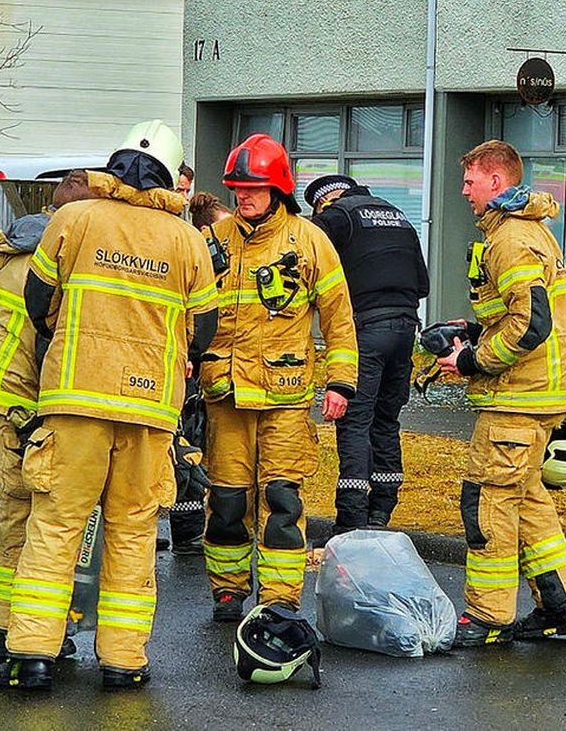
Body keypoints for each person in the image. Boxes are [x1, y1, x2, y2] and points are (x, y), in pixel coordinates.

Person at [0, 121, 217, 692]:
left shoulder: (73, 219)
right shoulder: (188, 239)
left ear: (114, 163)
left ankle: (32, 655)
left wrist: (68, 333)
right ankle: (123, 660)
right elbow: (206, 329)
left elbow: (38, 299)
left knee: (56, 525)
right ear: (170, 175)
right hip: (150, 410)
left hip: (74, 400)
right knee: (134, 532)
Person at [434, 140, 566, 647]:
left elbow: (530, 324)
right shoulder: (531, 230)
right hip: (538, 395)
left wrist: (471, 359)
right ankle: (561, 607)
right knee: (528, 501)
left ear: (496, 182)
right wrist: (474, 339)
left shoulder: (509, 240)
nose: (464, 190)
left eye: (471, 180)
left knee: (489, 503)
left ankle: (488, 616)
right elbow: (524, 315)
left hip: (517, 399)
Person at [200, 134, 357, 623]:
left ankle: (280, 596)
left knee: (282, 500)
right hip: (225, 397)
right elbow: (192, 312)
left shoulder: (310, 242)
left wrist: (340, 382)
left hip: (284, 401)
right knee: (225, 501)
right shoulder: (214, 242)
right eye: (237, 188)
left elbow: (339, 319)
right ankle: (227, 591)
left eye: (252, 188)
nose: (242, 196)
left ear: (279, 188)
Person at [0, 171, 95, 659]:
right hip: (9, 400)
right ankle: (16, 629)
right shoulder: (47, 260)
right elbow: (50, 337)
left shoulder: (3, 250)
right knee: (19, 517)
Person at [304, 172, 429, 535]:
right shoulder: (398, 216)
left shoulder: (337, 215)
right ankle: (382, 509)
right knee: (386, 420)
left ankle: (351, 519)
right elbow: (421, 283)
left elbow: (306, 260)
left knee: (355, 422)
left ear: (324, 200)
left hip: (365, 330)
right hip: (406, 329)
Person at [169, 190, 233, 555]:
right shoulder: (200, 256)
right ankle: (188, 530)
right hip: (192, 360)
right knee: (188, 443)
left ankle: (191, 527)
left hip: (210, 363)